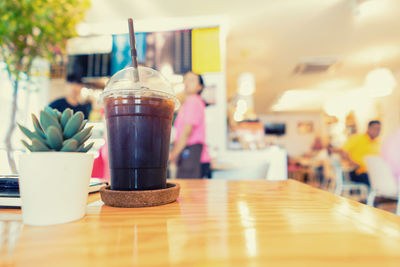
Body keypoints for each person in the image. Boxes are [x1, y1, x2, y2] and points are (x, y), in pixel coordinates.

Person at [169, 72, 211, 178]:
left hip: (193, 154)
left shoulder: (193, 101)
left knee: (189, 192)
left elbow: (187, 132)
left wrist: (173, 155)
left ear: (200, 87)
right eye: (186, 79)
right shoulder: (188, 103)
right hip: (190, 153)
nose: (187, 82)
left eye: (192, 80)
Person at [340, 120, 381, 186]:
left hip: (372, 172)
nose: (377, 131)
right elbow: (343, 151)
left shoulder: (377, 143)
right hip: (357, 172)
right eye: (375, 128)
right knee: (377, 180)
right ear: (369, 128)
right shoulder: (357, 138)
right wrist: (352, 163)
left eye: (379, 129)